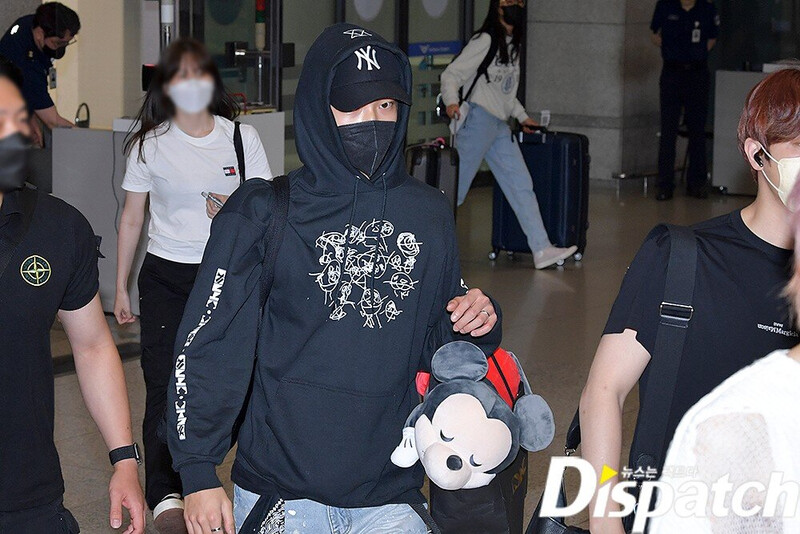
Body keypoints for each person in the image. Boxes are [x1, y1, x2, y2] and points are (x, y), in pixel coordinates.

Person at [166, 24, 502, 534]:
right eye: (351, 107)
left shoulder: (428, 214)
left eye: (385, 106)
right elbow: (210, 344)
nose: (372, 122)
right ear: (318, 109)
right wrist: (196, 471)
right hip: (282, 496)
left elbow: (434, 343)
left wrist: (476, 320)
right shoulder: (264, 212)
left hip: (390, 490)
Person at [579, 67, 800, 534]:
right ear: (757, 155)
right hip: (678, 514)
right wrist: (604, 519)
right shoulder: (682, 257)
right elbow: (604, 391)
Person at [115, 38, 271, 534]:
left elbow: (268, 206)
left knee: (240, 377)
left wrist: (235, 208)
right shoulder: (148, 144)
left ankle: (234, 475)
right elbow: (131, 218)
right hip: (166, 275)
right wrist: (117, 287)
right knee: (163, 380)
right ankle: (166, 494)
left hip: (227, 273)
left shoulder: (243, 139)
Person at [0, 57, 145, 533]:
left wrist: (124, 458)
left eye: (13, 119)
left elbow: (92, 344)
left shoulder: (57, 228)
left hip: (28, 496)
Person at [440, 0, 577, 269]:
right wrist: (451, 102)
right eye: (506, 1)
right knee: (456, 190)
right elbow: (451, 74)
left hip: (499, 126)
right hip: (478, 121)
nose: (513, 5)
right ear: (496, 7)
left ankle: (541, 248)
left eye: (517, 1)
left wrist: (523, 117)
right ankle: (427, 246)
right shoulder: (485, 40)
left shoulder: (513, 44)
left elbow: (506, 94)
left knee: (520, 184)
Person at [650, 0, 720, 201]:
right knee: (668, 130)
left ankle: (697, 183)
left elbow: (712, 39)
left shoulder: (707, 9)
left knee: (697, 129)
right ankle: (664, 185)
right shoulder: (665, 6)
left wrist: (693, 53)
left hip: (696, 74)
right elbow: (655, 34)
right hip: (672, 73)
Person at [0, 2, 80, 147]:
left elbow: (25, 91)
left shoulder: (30, 23)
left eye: (66, 43)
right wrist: (90, 139)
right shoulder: (27, 66)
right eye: (58, 43)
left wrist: (31, 114)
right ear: (39, 34)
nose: (60, 49)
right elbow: (53, 121)